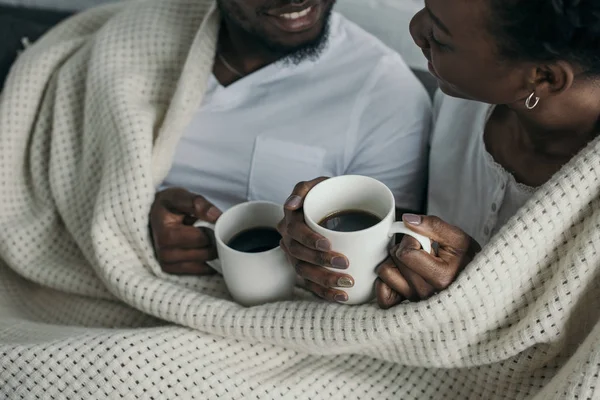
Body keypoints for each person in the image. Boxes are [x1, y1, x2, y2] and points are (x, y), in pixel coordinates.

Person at [279, 0, 600, 306]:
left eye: (442, 39)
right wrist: (347, 235)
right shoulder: (461, 101)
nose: (415, 29)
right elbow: (416, 228)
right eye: (426, 8)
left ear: (543, 77)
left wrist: (487, 294)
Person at [150, 0, 431, 276]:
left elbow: (385, 261)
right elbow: (115, 185)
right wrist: (143, 218)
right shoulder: (144, 42)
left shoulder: (387, 95)